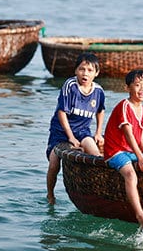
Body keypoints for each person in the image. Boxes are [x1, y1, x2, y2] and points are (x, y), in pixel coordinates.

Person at [46, 52, 105, 205]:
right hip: (60, 132)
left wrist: (98, 132)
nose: (85, 73)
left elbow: (100, 110)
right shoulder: (70, 86)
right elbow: (61, 112)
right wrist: (70, 137)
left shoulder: (98, 91)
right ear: (75, 70)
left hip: (83, 132)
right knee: (54, 163)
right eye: (82, 69)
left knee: (96, 156)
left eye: (90, 70)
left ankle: (94, 192)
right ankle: (50, 195)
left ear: (96, 73)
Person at [103, 69, 143, 232]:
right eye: (138, 85)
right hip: (115, 151)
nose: (142, 89)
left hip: (129, 151)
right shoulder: (124, 106)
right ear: (127, 88)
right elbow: (128, 135)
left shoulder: (142, 109)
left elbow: (141, 135)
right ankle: (140, 216)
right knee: (130, 174)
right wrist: (140, 158)